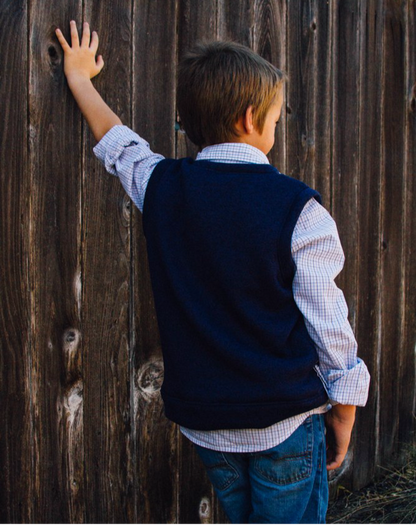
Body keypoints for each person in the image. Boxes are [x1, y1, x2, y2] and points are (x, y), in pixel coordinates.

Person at [55, 20, 371, 525]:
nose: (275, 129)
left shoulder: (161, 187)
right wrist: (345, 409)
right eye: (274, 119)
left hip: (206, 427)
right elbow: (329, 323)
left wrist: (79, 80)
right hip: (285, 422)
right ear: (250, 119)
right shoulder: (300, 211)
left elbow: (118, 146)